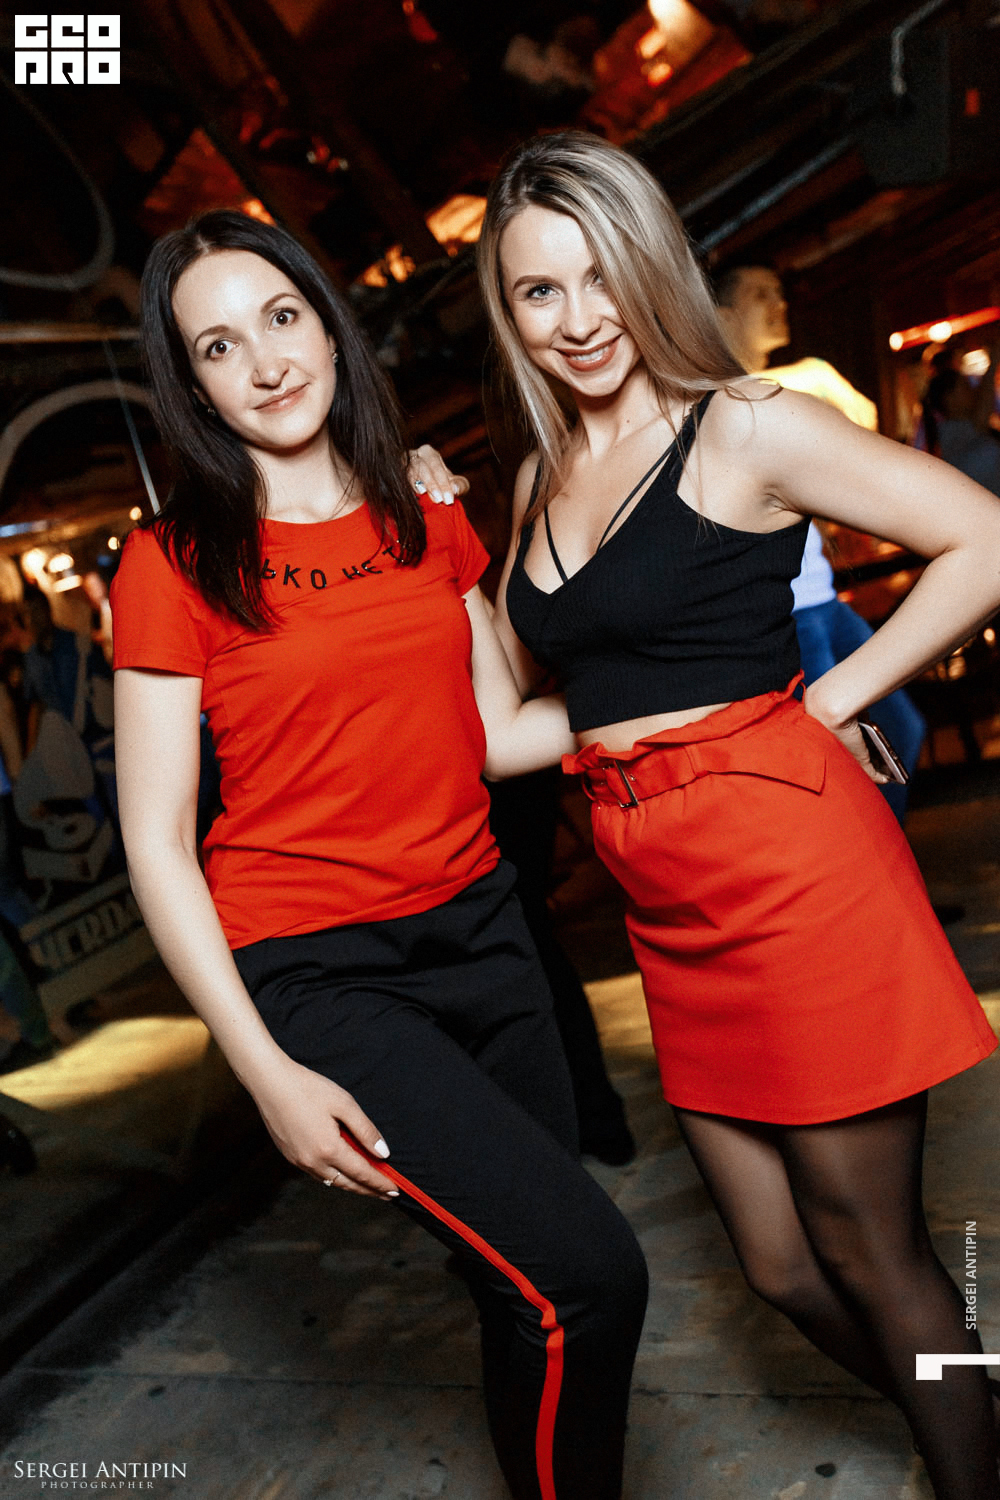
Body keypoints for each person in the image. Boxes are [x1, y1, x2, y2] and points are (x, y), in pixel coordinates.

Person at [478, 130, 1000, 1500]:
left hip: (795, 873)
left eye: (601, 274)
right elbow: (510, 729)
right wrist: (444, 560)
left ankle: (970, 1453)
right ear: (508, 312)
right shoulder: (536, 480)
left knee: (876, 1254)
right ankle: (975, 1413)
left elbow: (986, 539)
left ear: (651, 263)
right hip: (668, 903)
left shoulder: (746, 425)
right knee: (777, 1267)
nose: (579, 318)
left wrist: (831, 700)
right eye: (540, 291)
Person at [111, 209, 647, 1500]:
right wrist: (267, 1074)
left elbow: (503, 735)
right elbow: (156, 842)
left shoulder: (424, 513)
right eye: (219, 347)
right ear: (192, 386)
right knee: (592, 1276)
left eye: (281, 318)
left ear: (327, 323)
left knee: (523, 1285)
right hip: (322, 975)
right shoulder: (172, 565)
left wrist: (708, 695)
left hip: (487, 937)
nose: (265, 363)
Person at [714, 261, 926, 823]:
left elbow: (866, 425)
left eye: (780, 294)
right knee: (834, 758)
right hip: (786, 617)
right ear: (722, 314)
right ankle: (860, 866)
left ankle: (879, 861)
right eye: (761, 295)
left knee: (901, 729)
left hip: (821, 600)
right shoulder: (717, 395)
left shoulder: (786, 393)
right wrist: (810, 374)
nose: (779, 305)